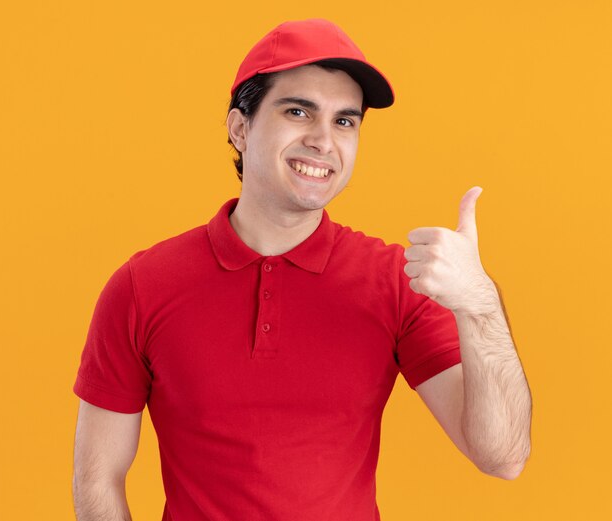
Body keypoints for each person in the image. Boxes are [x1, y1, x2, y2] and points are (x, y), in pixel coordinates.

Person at [72, 18, 532, 521]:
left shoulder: (395, 282)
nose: (323, 140)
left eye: (344, 121)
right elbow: (98, 478)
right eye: (298, 111)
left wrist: (481, 304)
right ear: (239, 128)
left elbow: (503, 456)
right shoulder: (143, 286)